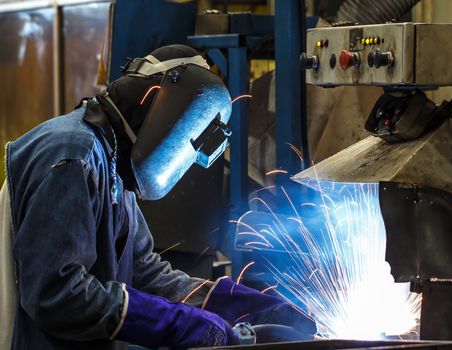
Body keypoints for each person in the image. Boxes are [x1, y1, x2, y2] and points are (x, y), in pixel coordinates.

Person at [0, 44, 316, 350]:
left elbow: (142, 271)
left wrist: (220, 302)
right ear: (165, 107)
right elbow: (57, 294)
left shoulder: (112, 162)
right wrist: (175, 323)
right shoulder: (73, 156)